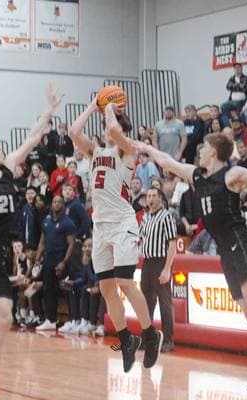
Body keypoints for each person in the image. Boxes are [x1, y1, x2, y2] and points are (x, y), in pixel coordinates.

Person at [134, 133, 247, 392]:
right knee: (246, 307)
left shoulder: (231, 175)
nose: (200, 150)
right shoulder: (196, 175)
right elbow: (168, 161)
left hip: (240, 240)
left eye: (205, 147)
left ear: (214, 152)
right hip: (225, 248)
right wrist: (146, 148)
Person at [0, 83, 63, 399]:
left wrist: (50, 109)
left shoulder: (7, 169)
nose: (2, 145)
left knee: (2, 315)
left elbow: (32, 137)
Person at [69, 98, 163, 373]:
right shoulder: (95, 152)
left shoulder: (128, 149)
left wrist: (108, 105)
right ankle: (127, 339)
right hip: (101, 226)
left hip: (123, 222)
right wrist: (92, 105)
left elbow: (112, 130)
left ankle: (149, 333)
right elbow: (74, 131)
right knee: (107, 288)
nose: (106, 127)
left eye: (111, 124)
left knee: (125, 281)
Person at [139, 187, 177, 352]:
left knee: (164, 302)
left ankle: (169, 340)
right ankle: (147, 337)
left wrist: (167, 268)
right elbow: (139, 239)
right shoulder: (146, 217)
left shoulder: (167, 216)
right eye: (149, 196)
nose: (151, 199)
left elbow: (172, 244)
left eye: (154, 196)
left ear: (160, 199)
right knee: (146, 302)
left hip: (161, 262)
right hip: (147, 262)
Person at [35, 195, 76, 331]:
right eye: (54, 201)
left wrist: (64, 262)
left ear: (63, 205)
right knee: (49, 290)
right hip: (48, 260)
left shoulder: (68, 222)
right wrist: (38, 258)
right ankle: (51, 320)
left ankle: (73, 320)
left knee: (66, 290)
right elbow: (42, 241)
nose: (57, 204)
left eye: (59, 202)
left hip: (61, 261)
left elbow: (71, 244)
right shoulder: (46, 221)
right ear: (51, 204)